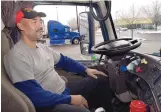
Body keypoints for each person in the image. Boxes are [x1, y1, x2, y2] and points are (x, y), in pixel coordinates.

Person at [4, 8, 113, 112]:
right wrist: (71, 99)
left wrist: (85, 70)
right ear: (21, 26)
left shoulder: (42, 47)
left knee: (99, 80)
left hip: (63, 90)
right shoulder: (17, 56)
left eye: (40, 21)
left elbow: (64, 61)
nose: (40, 25)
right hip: (48, 104)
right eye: (34, 22)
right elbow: (34, 95)